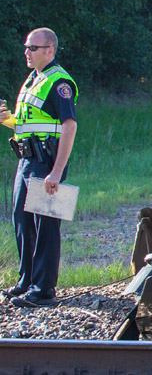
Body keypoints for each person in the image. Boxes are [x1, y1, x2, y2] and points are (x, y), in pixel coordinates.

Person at [1, 28, 78, 308]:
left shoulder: (59, 82)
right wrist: (7, 119)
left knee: (44, 224)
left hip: (46, 161)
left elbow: (70, 126)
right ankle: (27, 280)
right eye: (26, 47)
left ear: (49, 50)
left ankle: (44, 290)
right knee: (22, 221)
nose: (27, 52)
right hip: (26, 159)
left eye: (33, 48)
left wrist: (57, 171)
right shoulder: (34, 80)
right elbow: (26, 125)